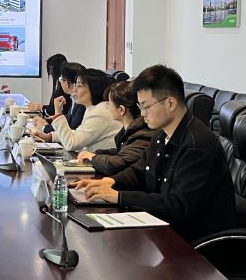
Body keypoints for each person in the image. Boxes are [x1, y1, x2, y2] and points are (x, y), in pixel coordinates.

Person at [75, 65, 236, 242]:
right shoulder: (162, 134)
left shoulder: (197, 145)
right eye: (140, 106)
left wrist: (119, 197)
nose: (142, 113)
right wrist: (110, 181)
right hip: (163, 228)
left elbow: (177, 205)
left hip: (194, 241)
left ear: (170, 103)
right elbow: (140, 170)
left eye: (146, 106)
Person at [77, 80, 157, 176]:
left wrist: (93, 157)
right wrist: (96, 154)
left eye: (109, 104)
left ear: (121, 109)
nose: (107, 107)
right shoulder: (131, 130)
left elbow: (118, 164)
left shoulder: (143, 134)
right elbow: (121, 152)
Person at [32, 68, 121, 152]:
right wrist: (50, 136)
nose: (74, 90)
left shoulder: (99, 112)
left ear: (93, 89)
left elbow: (71, 144)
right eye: (75, 85)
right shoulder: (95, 108)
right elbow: (79, 134)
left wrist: (58, 113)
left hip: (98, 161)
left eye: (79, 86)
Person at [32, 62, 86, 132]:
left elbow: (70, 130)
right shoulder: (74, 98)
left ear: (66, 84)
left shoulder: (81, 103)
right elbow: (68, 120)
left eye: (61, 79)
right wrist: (50, 120)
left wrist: (45, 127)